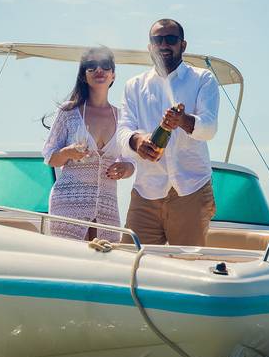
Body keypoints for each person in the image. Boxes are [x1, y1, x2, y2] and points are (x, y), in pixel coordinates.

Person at [117, 19, 220, 246]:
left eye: (171, 39)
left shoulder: (203, 79)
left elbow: (209, 127)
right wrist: (137, 141)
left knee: (187, 264)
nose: (164, 45)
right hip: (146, 190)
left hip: (191, 190)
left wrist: (183, 121)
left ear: (183, 45)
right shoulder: (134, 85)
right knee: (132, 261)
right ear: (150, 46)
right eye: (157, 40)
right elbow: (123, 129)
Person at [42, 46, 135, 242]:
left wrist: (125, 168)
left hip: (107, 206)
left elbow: (131, 162)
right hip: (68, 204)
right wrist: (67, 152)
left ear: (113, 75)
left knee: (106, 257)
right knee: (69, 259)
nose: (99, 70)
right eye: (91, 66)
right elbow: (50, 157)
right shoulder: (69, 112)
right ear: (84, 76)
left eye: (105, 65)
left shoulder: (122, 117)